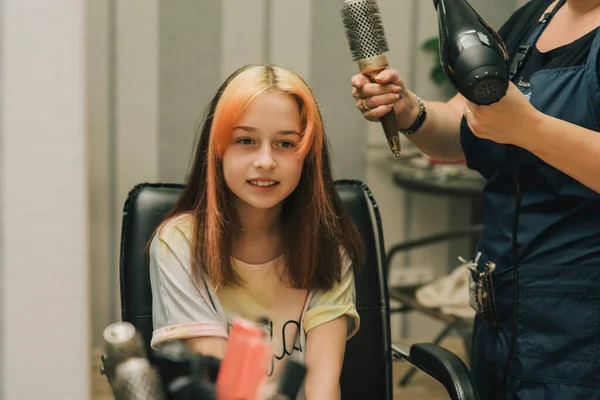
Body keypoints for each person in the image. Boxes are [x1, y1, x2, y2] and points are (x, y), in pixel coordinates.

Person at [351, 0, 600, 398]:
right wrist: (408, 109)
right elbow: (464, 125)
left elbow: (516, 125)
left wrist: (529, 128)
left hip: (583, 330)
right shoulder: (538, 16)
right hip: (504, 319)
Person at [148, 63, 364, 399]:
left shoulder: (328, 247)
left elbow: (323, 384)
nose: (265, 161)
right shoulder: (180, 243)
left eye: (285, 144)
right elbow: (225, 385)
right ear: (218, 149)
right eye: (246, 140)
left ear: (308, 156)